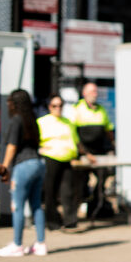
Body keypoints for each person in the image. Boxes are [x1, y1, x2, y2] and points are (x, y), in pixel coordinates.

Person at [0, 89, 47, 257]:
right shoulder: (33, 120)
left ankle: (17, 245)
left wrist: (4, 168)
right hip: (39, 163)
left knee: (17, 205)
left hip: (23, 165)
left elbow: (12, 146)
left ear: (14, 103)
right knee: (36, 205)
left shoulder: (16, 120)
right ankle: (40, 244)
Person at [38, 94, 79, 230]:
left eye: (60, 105)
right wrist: (40, 149)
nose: (58, 108)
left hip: (67, 159)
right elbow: (35, 140)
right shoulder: (42, 122)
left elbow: (76, 141)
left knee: (67, 191)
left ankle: (70, 220)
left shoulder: (68, 122)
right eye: (55, 105)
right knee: (50, 191)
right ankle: (52, 221)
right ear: (49, 107)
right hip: (51, 158)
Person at [72, 82, 112, 217]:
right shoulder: (77, 109)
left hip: (99, 153)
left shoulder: (101, 110)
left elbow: (108, 130)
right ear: (84, 94)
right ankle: (77, 210)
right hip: (83, 153)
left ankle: (95, 206)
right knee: (79, 183)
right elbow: (73, 134)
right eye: (92, 92)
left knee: (102, 178)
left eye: (96, 91)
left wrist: (112, 146)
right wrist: (85, 153)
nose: (94, 94)